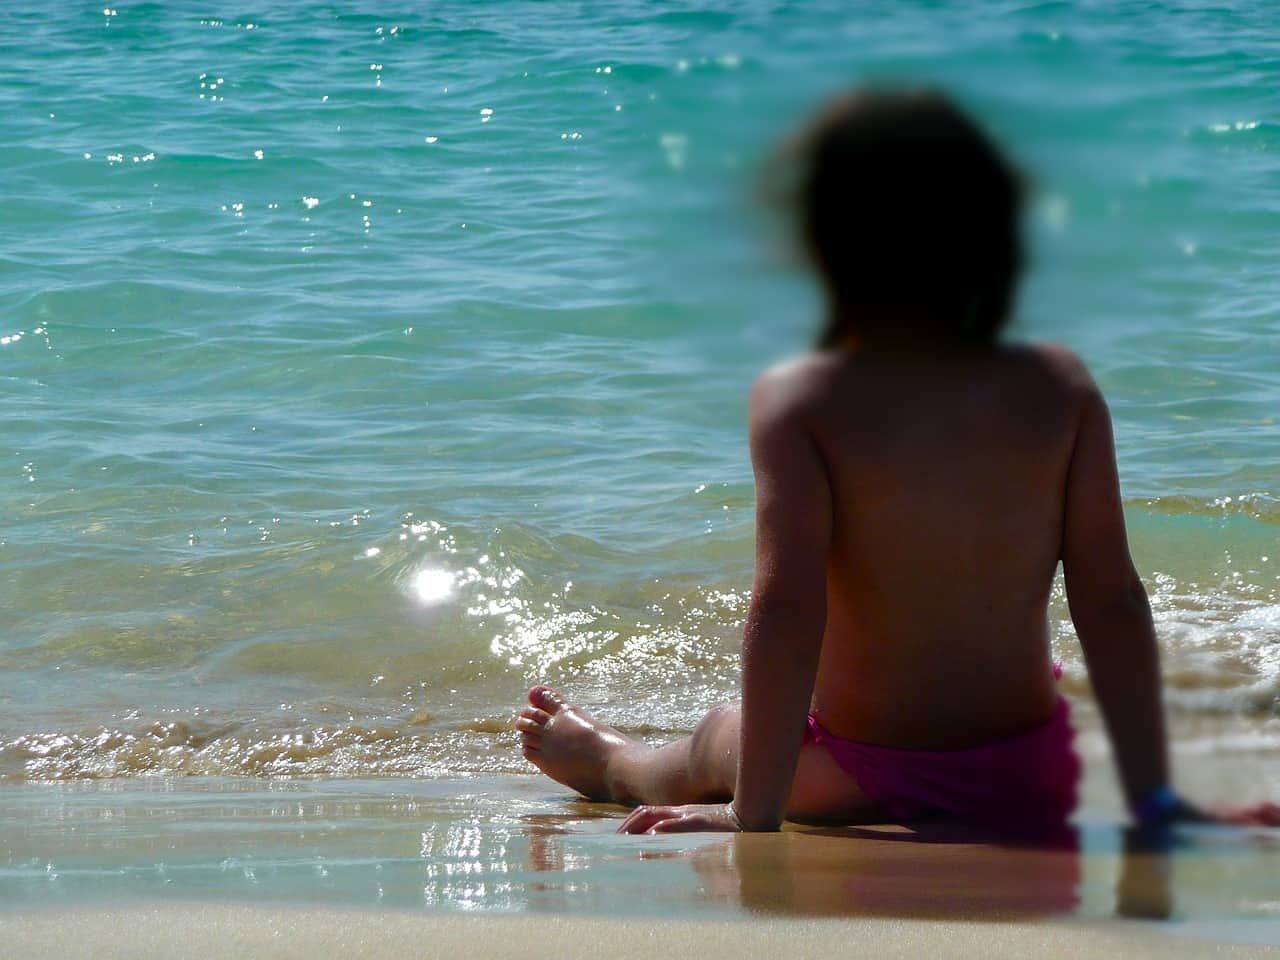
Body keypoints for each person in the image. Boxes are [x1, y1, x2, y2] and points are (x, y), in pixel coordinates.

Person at [514, 88, 1280, 834]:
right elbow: (1111, 602)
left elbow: (788, 611)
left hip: (852, 775)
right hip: (1024, 773)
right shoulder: (1060, 387)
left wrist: (752, 816)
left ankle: (614, 762)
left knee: (717, 735)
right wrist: (1152, 798)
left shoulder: (802, 399)